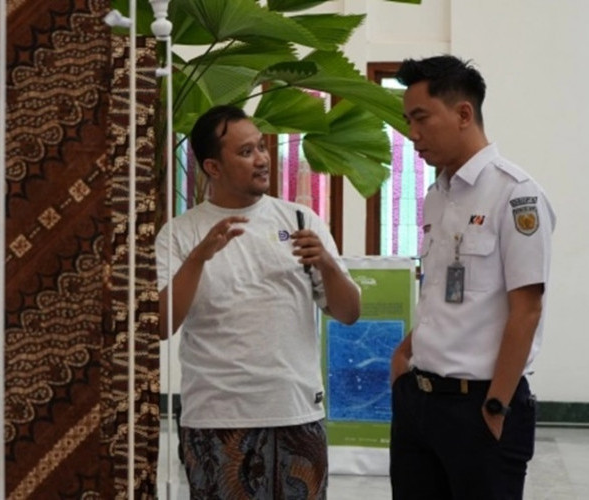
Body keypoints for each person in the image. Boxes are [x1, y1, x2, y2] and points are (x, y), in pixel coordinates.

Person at [155, 105, 361, 499]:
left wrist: (328, 265)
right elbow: (163, 324)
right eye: (246, 152)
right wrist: (199, 257)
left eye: (261, 147)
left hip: (296, 413)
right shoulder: (180, 234)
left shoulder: (301, 221)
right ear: (213, 168)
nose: (262, 159)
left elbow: (349, 313)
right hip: (217, 420)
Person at [388, 55, 556, 500]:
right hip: (419, 402)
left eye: (421, 118)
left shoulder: (515, 194)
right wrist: (403, 357)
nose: (413, 134)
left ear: (464, 113)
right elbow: (440, 294)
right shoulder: (436, 196)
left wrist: (497, 406)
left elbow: (528, 309)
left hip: (479, 407)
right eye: (408, 120)